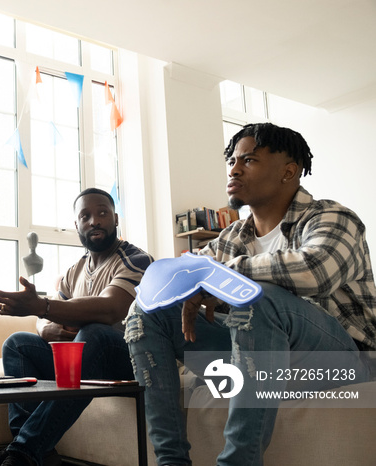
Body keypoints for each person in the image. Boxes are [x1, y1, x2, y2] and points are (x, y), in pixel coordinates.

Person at [126, 123, 376, 466]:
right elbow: (168, 276)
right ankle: (171, 461)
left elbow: (313, 270)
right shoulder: (232, 237)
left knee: (259, 296)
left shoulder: (332, 217)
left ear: (289, 171)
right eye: (232, 160)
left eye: (250, 160)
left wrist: (216, 278)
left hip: (339, 360)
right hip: (262, 360)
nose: (234, 168)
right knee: (145, 312)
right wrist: (195, 282)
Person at [0, 188, 153, 466]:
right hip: (83, 363)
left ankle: (21, 453)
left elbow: (112, 308)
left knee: (93, 334)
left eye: (102, 213)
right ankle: (41, 454)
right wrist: (46, 326)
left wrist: (42, 307)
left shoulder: (136, 260)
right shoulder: (74, 271)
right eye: (85, 216)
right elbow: (45, 322)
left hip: (129, 360)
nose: (94, 221)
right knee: (17, 344)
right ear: (77, 226)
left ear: (116, 219)